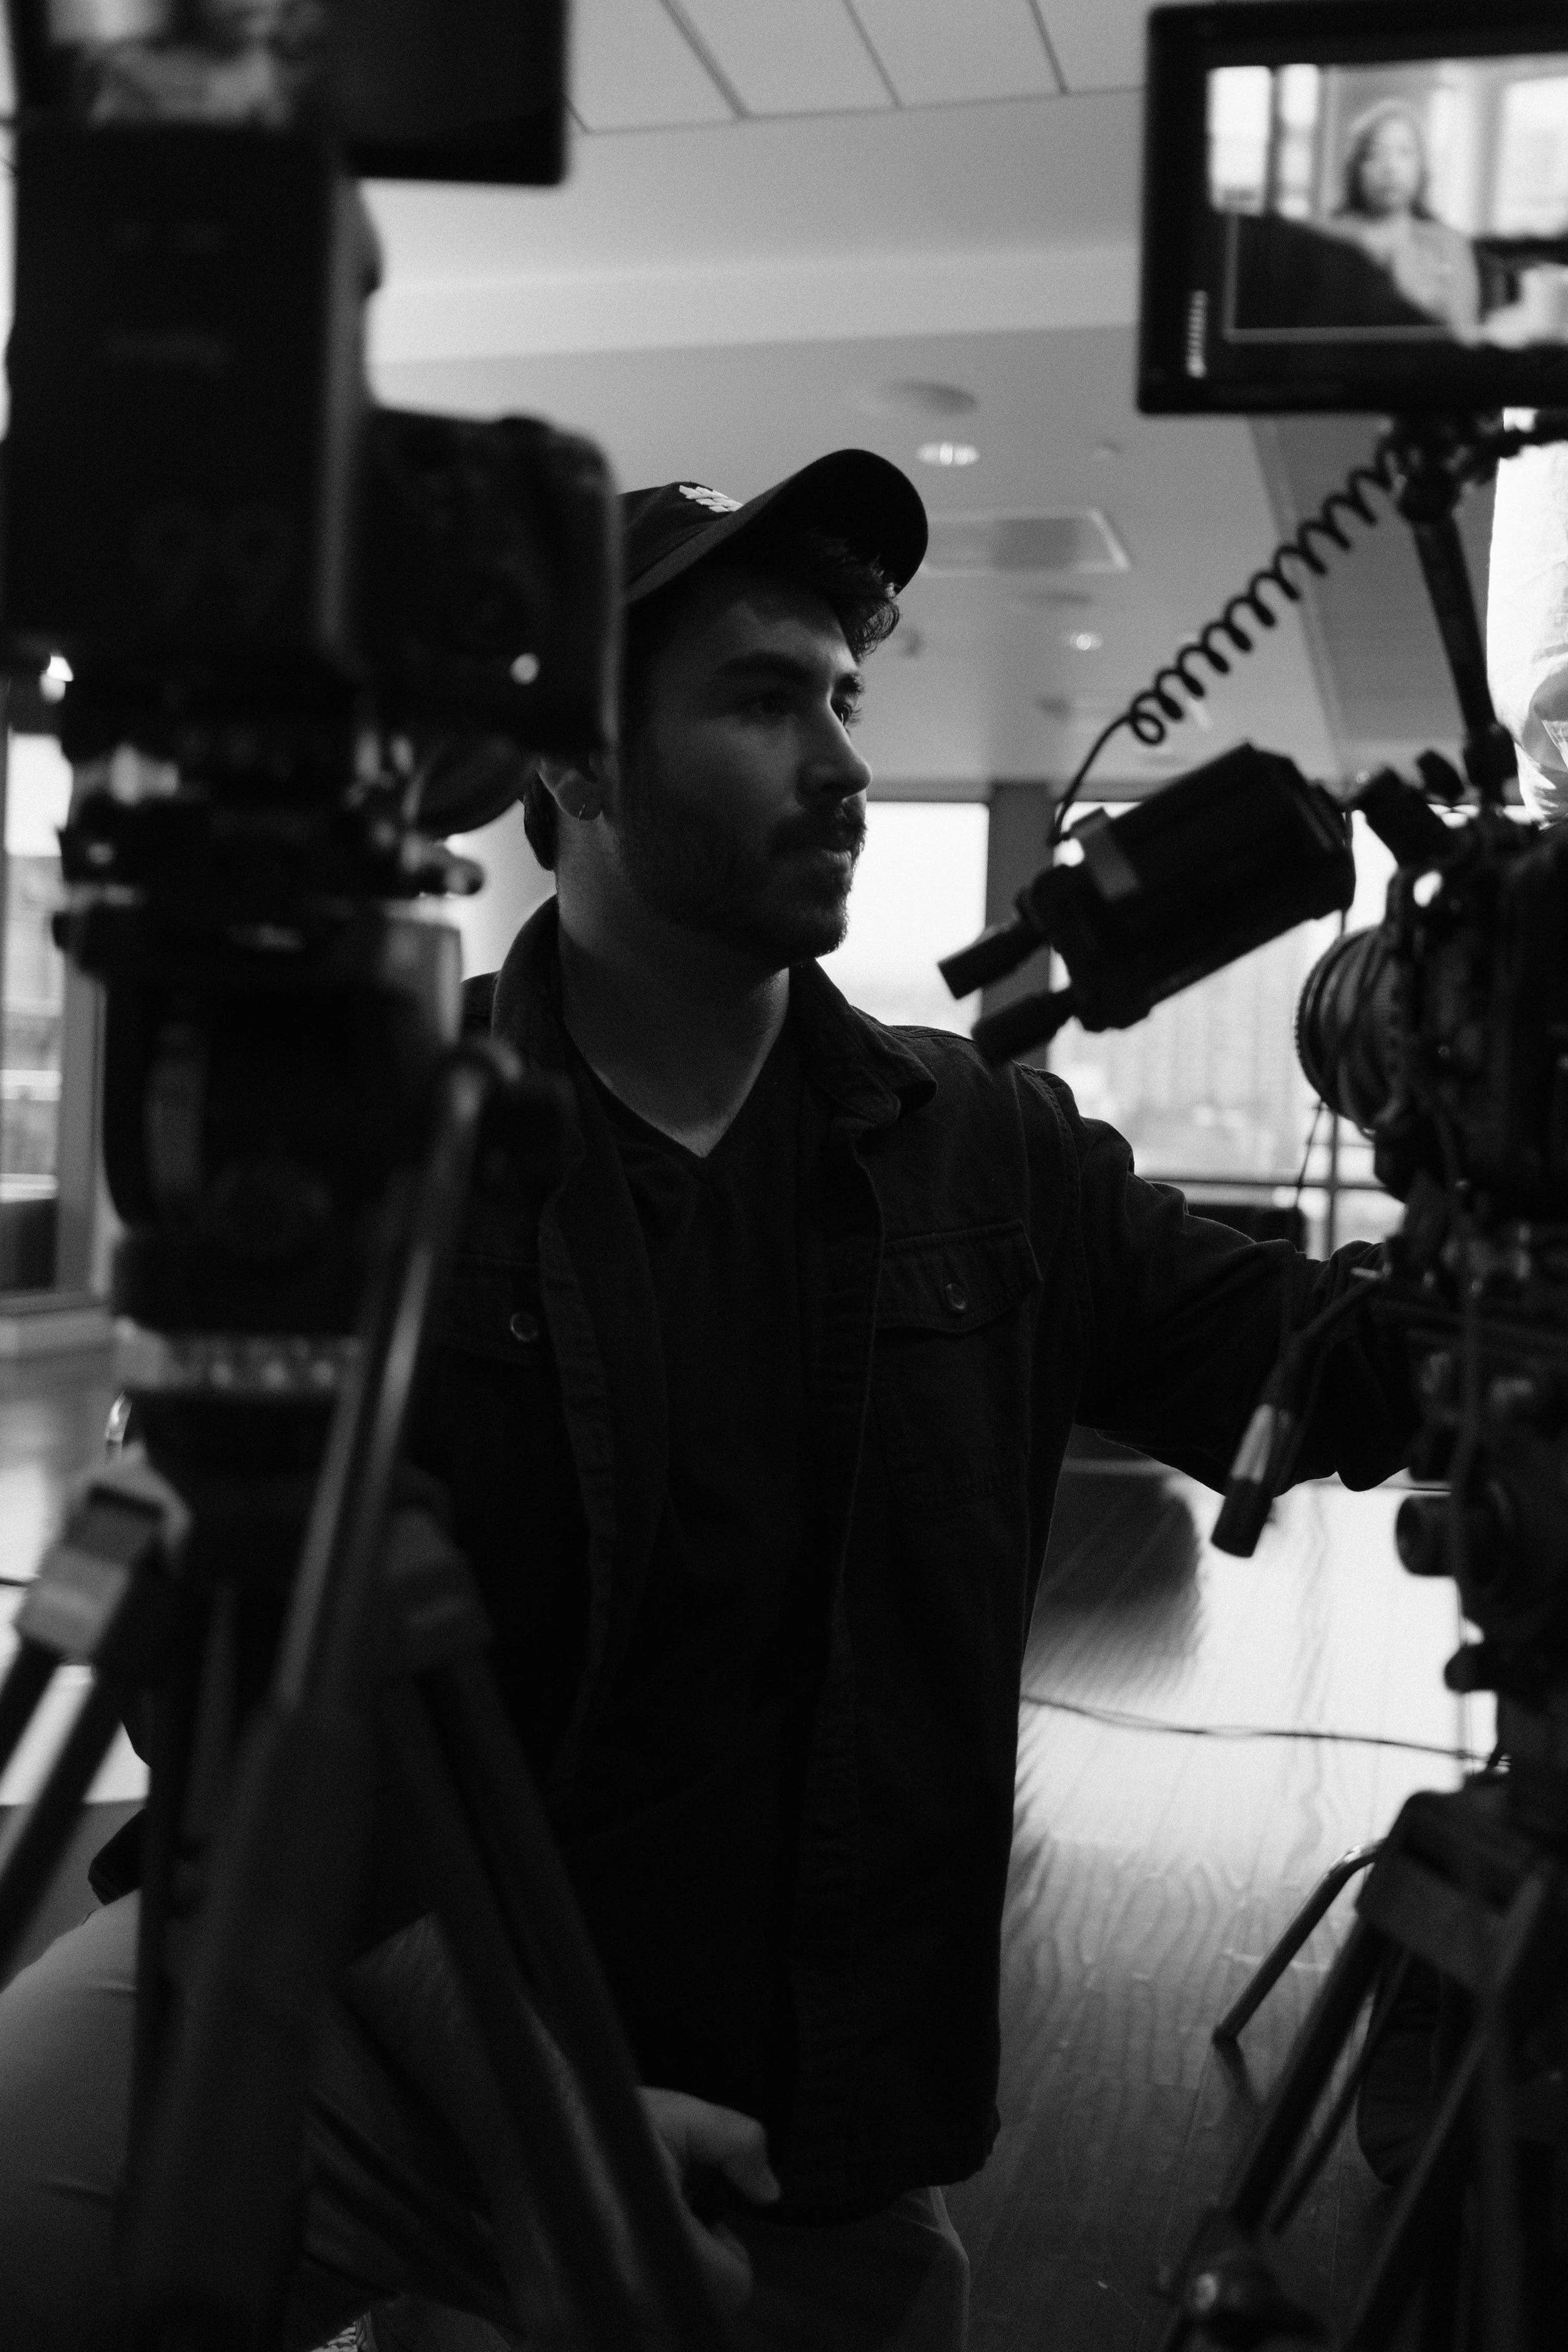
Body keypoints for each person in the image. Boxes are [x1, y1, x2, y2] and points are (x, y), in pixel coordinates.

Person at [0, 449, 1415, 2351]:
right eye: (761, 697)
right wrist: (539, 2108)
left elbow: (1337, 1367)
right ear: (569, 769)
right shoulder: (372, 1158)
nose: (836, 755)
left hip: (784, 2121)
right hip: (380, 2009)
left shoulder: (987, 1153)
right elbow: (227, 1719)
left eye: (841, 695)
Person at [1324, 99, 1480, 339]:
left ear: (1422, 167)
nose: (1390, 167)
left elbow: (1464, 338)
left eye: (1405, 152)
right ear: (1356, 168)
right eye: (1374, 154)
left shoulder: (1451, 243)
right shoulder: (1328, 240)